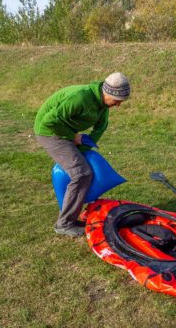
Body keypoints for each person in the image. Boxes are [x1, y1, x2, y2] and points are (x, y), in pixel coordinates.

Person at [34, 72, 131, 237]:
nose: (118, 105)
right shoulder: (80, 97)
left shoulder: (103, 105)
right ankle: (64, 224)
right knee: (81, 174)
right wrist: (73, 137)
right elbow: (49, 122)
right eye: (117, 101)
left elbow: (100, 128)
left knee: (85, 169)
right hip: (49, 131)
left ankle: (74, 211)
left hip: (66, 130)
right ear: (107, 93)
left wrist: (84, 148)